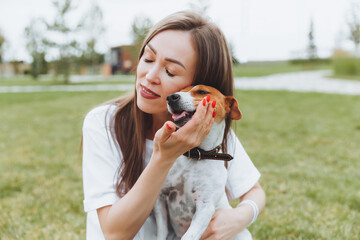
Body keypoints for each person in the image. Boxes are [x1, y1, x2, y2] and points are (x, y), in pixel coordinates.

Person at [82, 11, 266, 240]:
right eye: (148, 59)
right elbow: (115, 233)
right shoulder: (104, 124)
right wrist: (164, 156)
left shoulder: (210, 134)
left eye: (170, 71)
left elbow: (254, 192)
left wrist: (237, 219)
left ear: (198, 86)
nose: (149, 76)